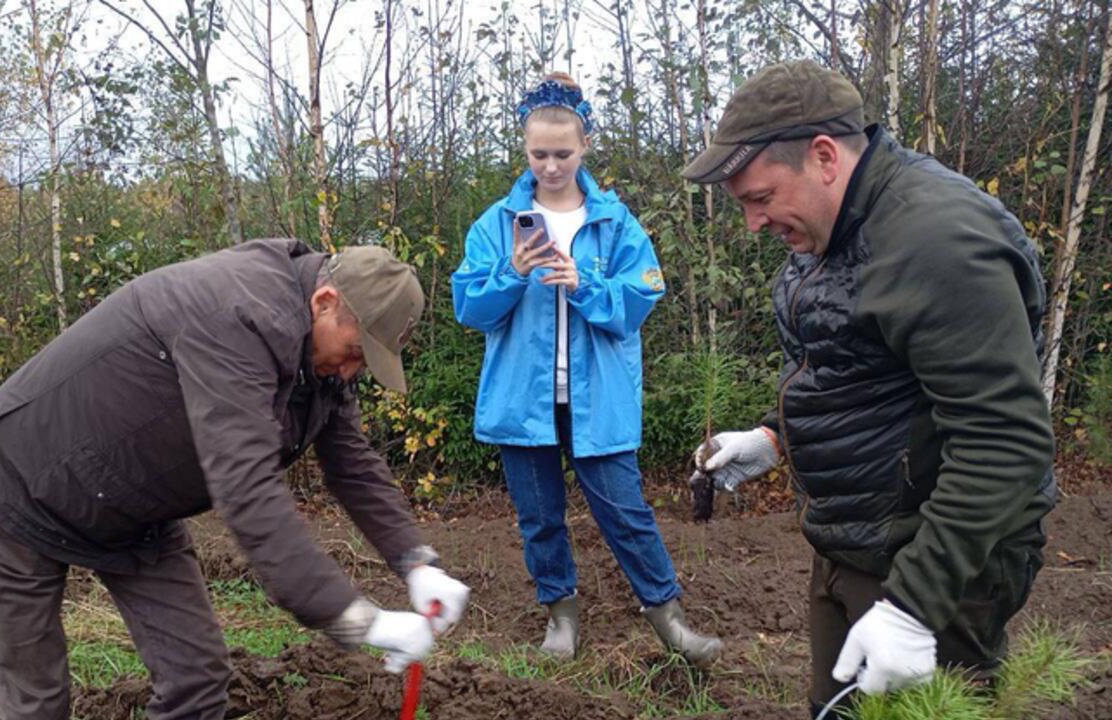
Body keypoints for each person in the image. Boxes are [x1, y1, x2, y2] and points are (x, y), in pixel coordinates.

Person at [0, 238, 471, 720]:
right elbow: (249, 494)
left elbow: (354, 464)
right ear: (326, 301)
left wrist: (416, 562)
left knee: (196, 679)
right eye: (357, 352)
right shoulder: (235, 317)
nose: (353, 372)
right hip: (22, 484)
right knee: (37, 703)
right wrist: (359, 621)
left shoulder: (320, 364)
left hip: (134, 507)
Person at [683, 60, 1056, 717]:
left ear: (824, 156)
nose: (752, 223)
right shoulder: (839, 224)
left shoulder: (938, 243)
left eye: (760, 198)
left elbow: (1005, 442)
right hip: (856, 539)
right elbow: (856, 362)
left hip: (938, 560)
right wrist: (775, 435)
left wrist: (914, 608)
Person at [452, 72, 722, 664]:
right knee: (540, 520)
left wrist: (584, 283)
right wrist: (513, 272)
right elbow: (469, 308)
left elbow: (641, 299)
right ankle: (561, 620)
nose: (550, 166)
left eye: (562, 153)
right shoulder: (497, 224)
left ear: (586, 147)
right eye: (538, 154)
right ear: (525, 151)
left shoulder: (617, 224)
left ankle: (670, 621)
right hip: (523, 401)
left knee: (627, 513)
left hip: (599, 398)